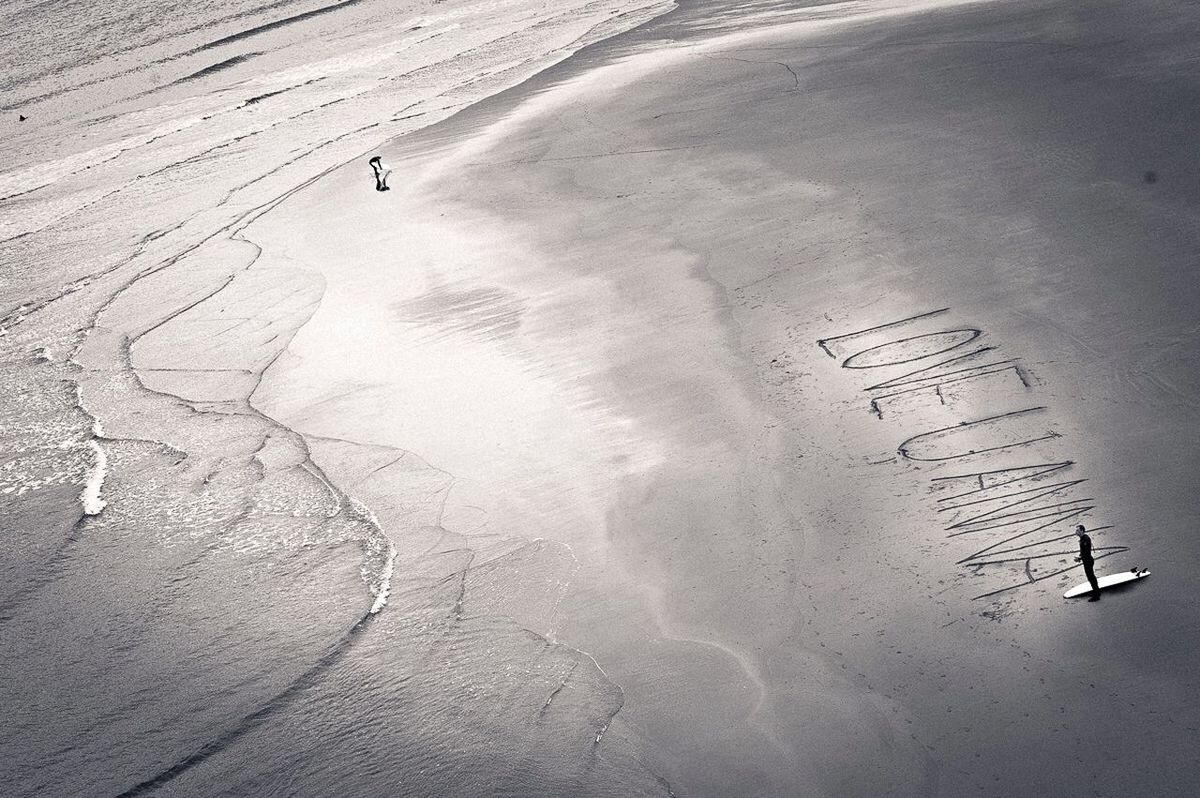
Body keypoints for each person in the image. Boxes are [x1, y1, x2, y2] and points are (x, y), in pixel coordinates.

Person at [1074, 524, 1100, 600]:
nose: (1076, 532)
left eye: (1077, 530)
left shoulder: (1085, 539)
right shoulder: (1082, 538)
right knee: (1091, 577)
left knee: (1091, 577)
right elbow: (1082, 551)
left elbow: (1086, 553)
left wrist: (1079, 558)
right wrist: (1079, 557)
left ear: (1082, 531)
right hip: (1087, 560)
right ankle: (1096, 591)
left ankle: (1096, 595)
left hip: (1088, 561)